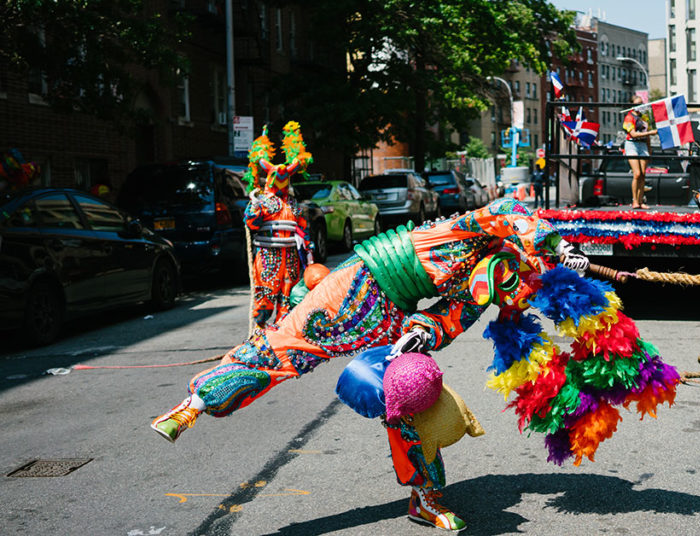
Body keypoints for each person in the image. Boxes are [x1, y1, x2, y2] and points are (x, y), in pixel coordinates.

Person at [150, 198, 591, 529]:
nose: (514, 292)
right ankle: (198, 402)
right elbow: (513, 207)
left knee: (407, 394)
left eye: (521, 289)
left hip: (392, 316)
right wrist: (558, 242)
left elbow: (452, 315)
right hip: (357, 284)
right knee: (282, 348)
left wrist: (424, 331)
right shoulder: (476, 229)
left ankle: (425, 496)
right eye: (521, 280)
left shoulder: (491, 279)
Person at [244, 123, 314, 328]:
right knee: (265, 298)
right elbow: (251, 222)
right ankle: (260, 333)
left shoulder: (292, 204)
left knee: (289, 298)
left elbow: (302, 227)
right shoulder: (263, 201)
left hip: (291, 257)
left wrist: (308, 251)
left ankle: (283, 332)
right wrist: (254, 208)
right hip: (268, 256)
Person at [622, 94, 656, 209]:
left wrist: (649, 147)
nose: (640, 106)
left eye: (641, 103)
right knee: (636, 173)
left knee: (643, 174)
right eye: (637, 104)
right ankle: (635, 200)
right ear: (632, 105)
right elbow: (633, 134)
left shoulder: (644, 117)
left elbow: (647, 135)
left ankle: (641, 201)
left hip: (643, 145)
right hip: (632, 144)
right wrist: (650, 133)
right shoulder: (629, 117)